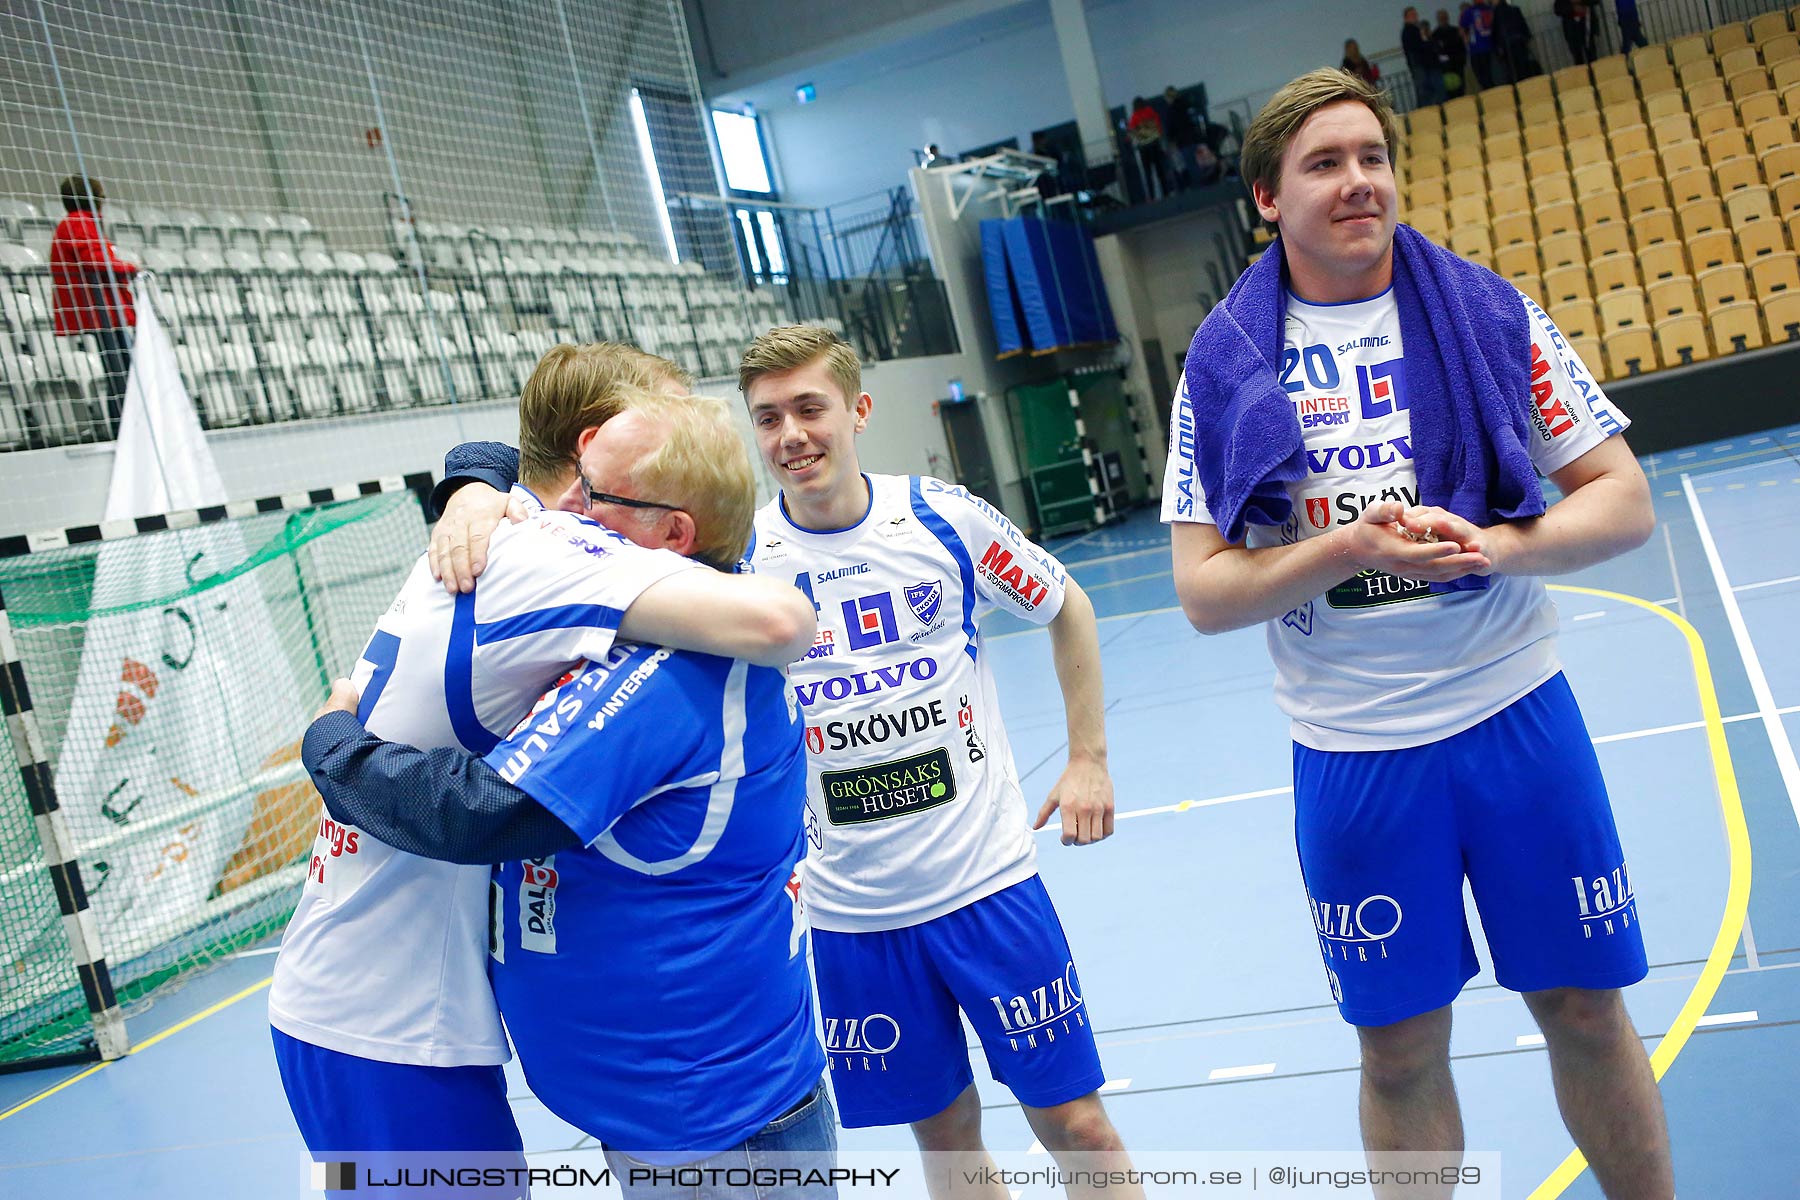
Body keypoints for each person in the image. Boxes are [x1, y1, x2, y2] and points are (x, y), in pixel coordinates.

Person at [428, 324, 1141, 1200]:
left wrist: (1089, 761)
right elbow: (561, 519)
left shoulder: (940, 519)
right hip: (851, 915)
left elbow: (1067, 605)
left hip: (987, 887)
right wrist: (476, 489)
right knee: (948, 1142)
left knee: (1078, 1127)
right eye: (768, 418)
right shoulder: (739, 570)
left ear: (859, 410)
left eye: (811, 409)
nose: (792, 435)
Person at [1164, 69, 1673, 1200]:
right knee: (1397, 1048)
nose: (1359, 183)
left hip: (1514, 716)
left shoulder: (1490, 311)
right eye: (1326, 164)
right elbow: (1203, 592)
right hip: (1354, 753)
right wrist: (1347, 550)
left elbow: (1622, 500)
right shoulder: (1225, 365)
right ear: (1267, 197)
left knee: (1586, 1010)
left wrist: (1499, 547)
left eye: (1372, 158)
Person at [269, 345, 817, 1185]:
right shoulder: (547, 550)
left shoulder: (510, 534)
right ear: (590, 440)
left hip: (386, 989)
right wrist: (333, 752)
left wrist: (471, 482)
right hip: (383, 1010)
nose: (575, 506)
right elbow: (780, 617)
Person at [48, 175, 137, 436]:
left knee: (123, 372)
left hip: (104, 309)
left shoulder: (82, 224)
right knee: (120, 373)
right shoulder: (78, 223)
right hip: (100, 310)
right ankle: (124, 431)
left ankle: (127, 428)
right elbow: (93, 260)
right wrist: (130, 269)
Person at [1161, 85, 1205, 190]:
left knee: (1190, 164)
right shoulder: (1185, 105)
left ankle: (1197, 187)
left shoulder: (1171, 110)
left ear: (1168, 97)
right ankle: (1203, 184)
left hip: (1183, 141)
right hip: (1193, 138)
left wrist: (1171, 140)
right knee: (1197, 162)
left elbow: (1170, 128)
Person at [1127, 96, 1170, 201]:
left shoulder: (1134, 116)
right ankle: (1166, 193)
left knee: (1148, 173)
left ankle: (1152, 196)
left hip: (1144, 148)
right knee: (1160, 171)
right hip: (1155, 145)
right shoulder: (1150, 111)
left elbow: (1131, 132)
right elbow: (1158, 125)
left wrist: (1132, 140)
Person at [1402, 8, 1446, 106]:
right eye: (1412, 15)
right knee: (1426, 92)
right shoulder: (1408, 31)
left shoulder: (1419, 30)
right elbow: (1416, 48)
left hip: (1429, 65)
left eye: (1415, 14)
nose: (1415, 16)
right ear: (1406, 18)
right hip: (1421, 67)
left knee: (1435, 90)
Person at [1432, 10, 1469, 98]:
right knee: (1450, 89)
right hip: (1447, 67)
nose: (1443, 19)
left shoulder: (1453, 31)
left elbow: (1461, 47)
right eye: (1441, 17)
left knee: (1460, 88)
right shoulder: (1436, 35)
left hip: (1457, 63)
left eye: (1444, 17)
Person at [1460, 0, 1496, 89]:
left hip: (1476, 49)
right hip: (1492, 47)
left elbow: (1463, 30)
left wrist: (1466, 40)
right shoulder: (1491, 9)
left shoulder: (1468, 12)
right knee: (1493, 75)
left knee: (1481, 76)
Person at [1554, 0, 1598, 66]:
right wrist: (1572, 8)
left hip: (1587, 25)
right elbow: (1558, 9)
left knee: (1592, 54)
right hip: (1572, 28)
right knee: (1577, 56)